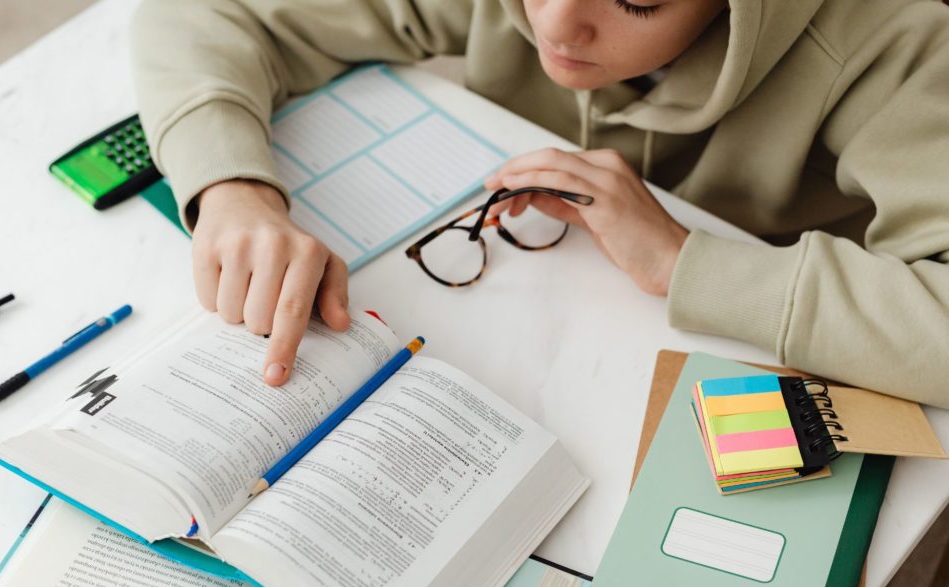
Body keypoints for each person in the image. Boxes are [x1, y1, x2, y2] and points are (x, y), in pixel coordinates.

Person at [131, 0, 949, 407]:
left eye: (635, 1)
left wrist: (684, 261)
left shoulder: (904, 36)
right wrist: (231, 190)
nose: (557, 24)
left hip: (751, 377)